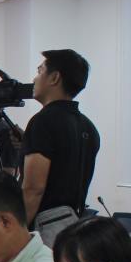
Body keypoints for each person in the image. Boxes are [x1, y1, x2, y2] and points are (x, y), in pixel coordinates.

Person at [21, 49, 100, 247]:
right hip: (72, 226)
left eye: (40, 71)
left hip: (44, 230)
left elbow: (33, 188)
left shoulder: (42, 122)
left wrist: (17, 233)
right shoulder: (88, 126)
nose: (34, 78)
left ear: (54, 78)